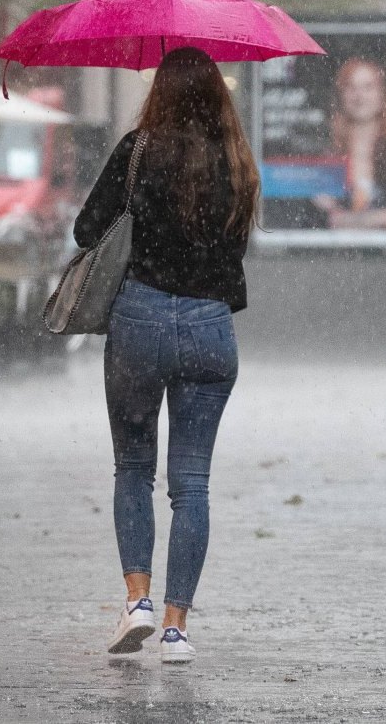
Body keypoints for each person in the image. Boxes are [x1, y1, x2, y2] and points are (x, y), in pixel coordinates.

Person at [73, 47, 259, 665]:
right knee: (193, 483)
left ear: (160, 92)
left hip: (140, 320)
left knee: (133, 467)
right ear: (218, 96)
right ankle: (178, 629)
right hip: (210, 328)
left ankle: (138, 601)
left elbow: (85, 229)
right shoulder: (236, 162)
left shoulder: (137, 151)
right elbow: (234, 245)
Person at [312, 57, 386, 230]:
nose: (359, 95)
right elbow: (316, 215)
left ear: (383, 94)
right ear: (341, 95)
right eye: (351, 87)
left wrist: (352, 221)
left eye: (368, 87)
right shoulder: (327, 153)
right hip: (334, 254)